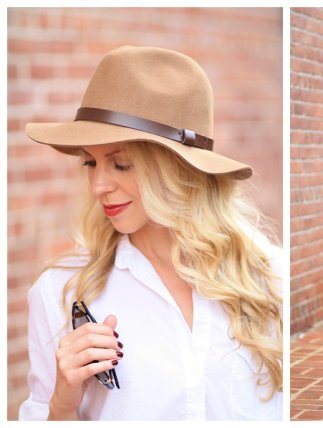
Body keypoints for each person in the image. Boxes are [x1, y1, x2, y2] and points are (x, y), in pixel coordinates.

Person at [18, 46, 283, 420]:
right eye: (91, 163)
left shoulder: (267, 273)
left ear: (178, 170)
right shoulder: (61, 289)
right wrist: (63, 402)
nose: (98, 186)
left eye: (121, 164)